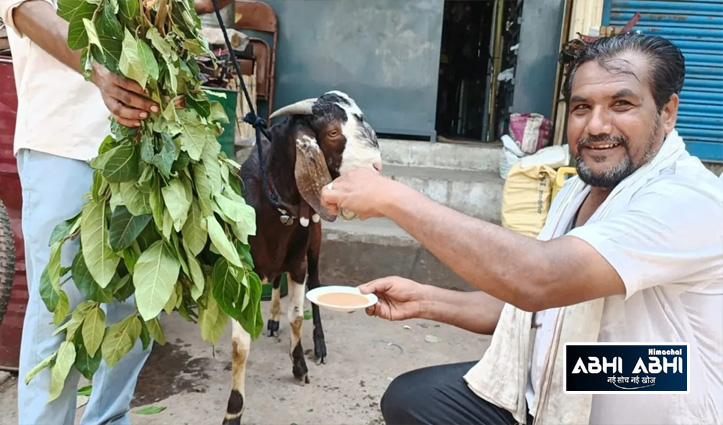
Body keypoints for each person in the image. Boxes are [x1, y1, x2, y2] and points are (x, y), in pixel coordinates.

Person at [321, 32, 723, 425]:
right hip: (575, 381)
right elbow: (536, 306)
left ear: (667, 112)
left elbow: (539, 279)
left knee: (641, 369)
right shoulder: (580, 188)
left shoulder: (687, 198)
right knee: (412, 400)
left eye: (621, 104)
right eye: (581, 108)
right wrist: (427, 301)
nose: (597, 126)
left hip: (657, 390)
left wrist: (392, 197)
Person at [0, 1, 221, 423]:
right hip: (64, 140)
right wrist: (96, 65)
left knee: (136, 308)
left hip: (150, 142)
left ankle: (108, 418)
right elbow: (22, 7)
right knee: (59, 314)